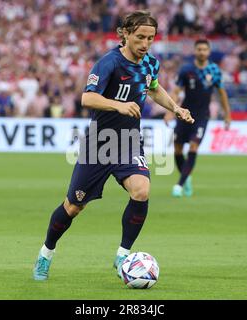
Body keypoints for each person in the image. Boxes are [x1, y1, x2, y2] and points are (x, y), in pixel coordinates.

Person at [33, 10, 194, 281]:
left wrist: (175, 107)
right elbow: (88, 98)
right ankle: (46, 253)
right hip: (99, 144)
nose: (145, 43)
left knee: (141, 190)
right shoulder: (109, 62)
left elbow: (153, 88)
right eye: (140, 37)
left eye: (150, 38)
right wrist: (119, 106)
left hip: (129, 142)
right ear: (126, 34)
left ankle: (123, 254)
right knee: (73, 206)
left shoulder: (150, 64)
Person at [164, 39, 231, 198]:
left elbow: (222, 94)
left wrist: (227, 114)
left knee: (193, 147)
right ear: (195, 51)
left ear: (208, 52)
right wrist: (170, 111)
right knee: (178, 149)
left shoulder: (214, 70)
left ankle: (180, 184)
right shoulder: (187, 70)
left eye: (204, 49)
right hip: (184, 113)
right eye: (199, 49)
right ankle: (186, 179)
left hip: (202, 116)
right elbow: (176, 91)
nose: (202, 52)